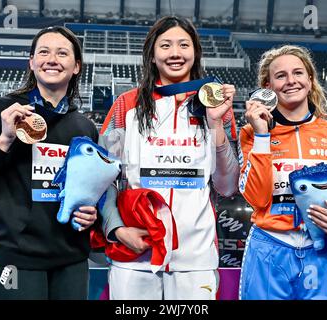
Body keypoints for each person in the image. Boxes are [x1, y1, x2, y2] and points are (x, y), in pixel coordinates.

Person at [98, 16, 240, 300]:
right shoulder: (126, 105)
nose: (175, 53)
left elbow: (227, 186)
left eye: (183, 45)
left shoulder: (217, 108)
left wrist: (214, 123)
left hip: (195, 257)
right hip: (136, 254)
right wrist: (117, 229)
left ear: (195, 53)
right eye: (165, 45)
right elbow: (101, 178)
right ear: (152, 55)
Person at [0, 26, 100, 300]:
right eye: (43, 52)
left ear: (77, 66)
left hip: (71, 261)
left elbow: (89, 193)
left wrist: (92, 213)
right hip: (18, 260)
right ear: (31, 62)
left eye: (62, 53)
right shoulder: (1, 113)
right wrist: (4, 140)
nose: (52, 59)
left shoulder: (84, 127)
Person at [238, 45, 327, 300]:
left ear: (310, 80)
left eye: (298, 73)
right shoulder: (250, 134)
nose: (291, 81)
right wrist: (263, 135)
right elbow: (257, 198)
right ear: (268, 86)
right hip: (268, 248)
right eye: (281, 75)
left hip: (322, 252)